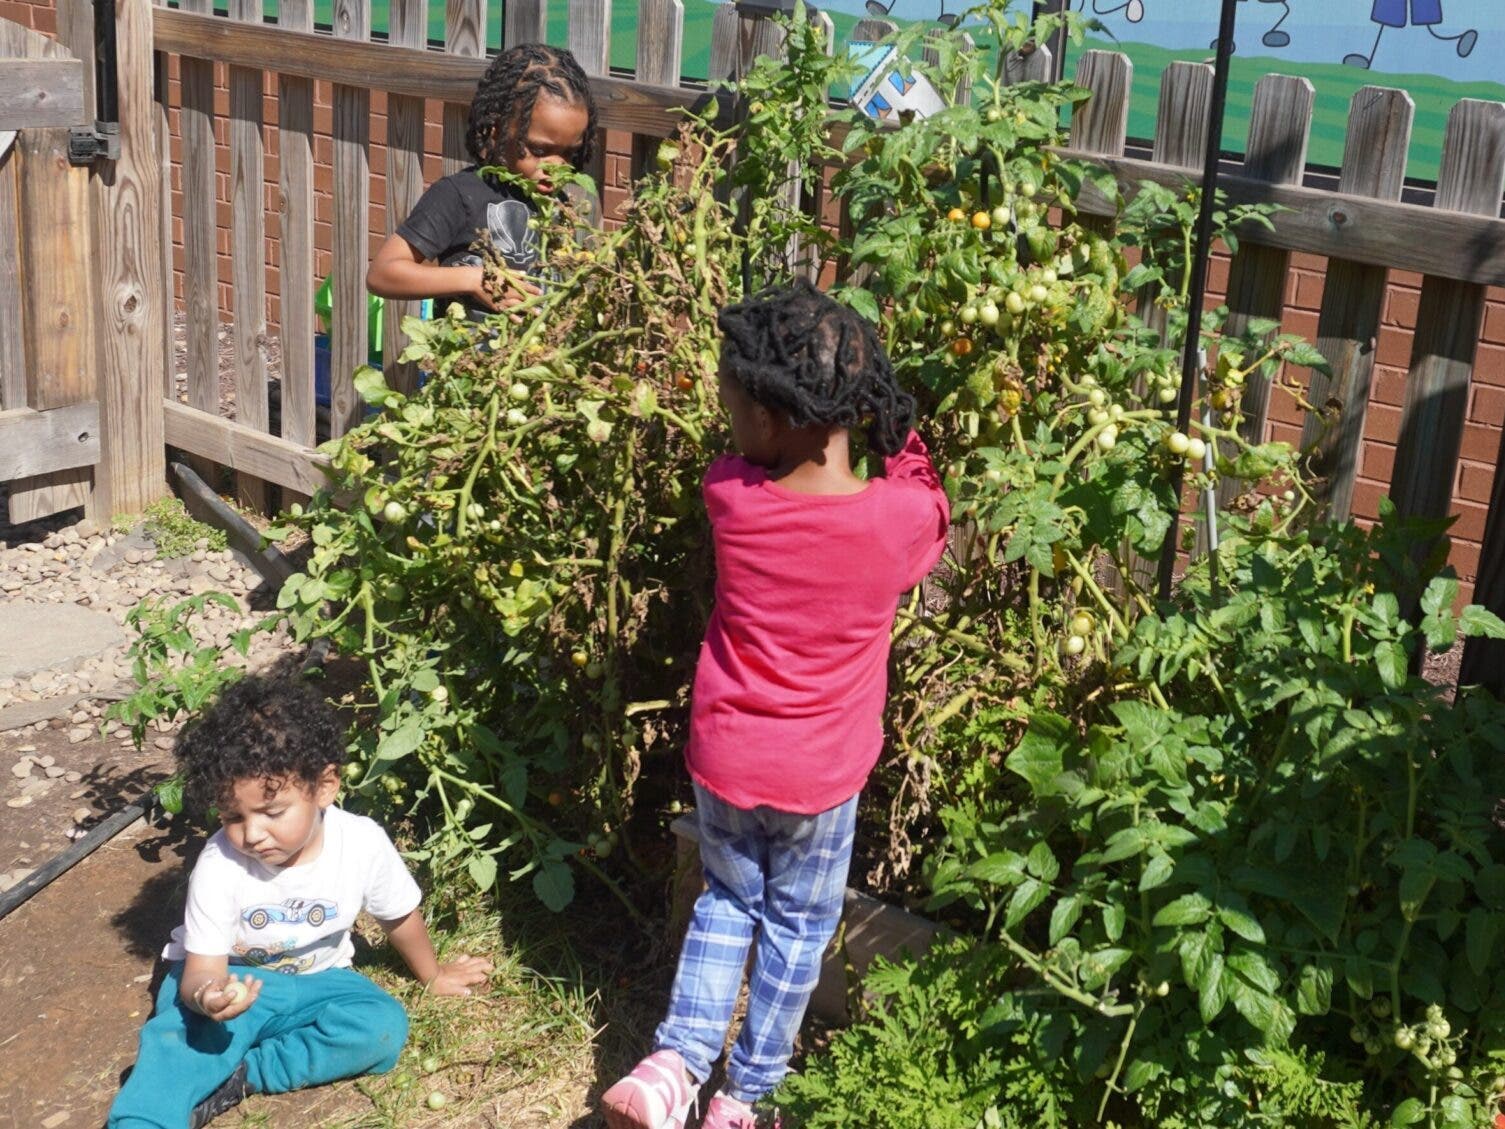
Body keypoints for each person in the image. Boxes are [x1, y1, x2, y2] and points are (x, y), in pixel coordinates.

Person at [600, 281, 951, 1129]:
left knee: (727, 900)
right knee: (796, 925)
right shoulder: (894, 521)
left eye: (731, 409)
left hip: (726, 754)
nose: (726, 430)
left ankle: (675, 1061)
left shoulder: (732, 498)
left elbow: (741, 466)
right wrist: (896, 433)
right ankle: (743, 1097)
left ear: (765, 418)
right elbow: (930, 501)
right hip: (820, 775)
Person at [107, 675, 492, 1129]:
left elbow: (399, 915)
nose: (250, 834)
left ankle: (247, 1074)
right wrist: (208, 998)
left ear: (325, 786)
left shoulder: (362, 842)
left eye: (272, 813)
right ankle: (143, 1120)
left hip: (321, 981)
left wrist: (432, 974)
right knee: (180, 1040)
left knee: (380, 1024)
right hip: (231, 976)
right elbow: (202, 969)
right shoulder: (219, 863)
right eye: (232, 816)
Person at [366, 43, 598, 319]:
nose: (556, 167)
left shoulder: (559, 205)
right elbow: (383, 273)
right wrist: (473, 280)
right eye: (538, 150)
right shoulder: (460, 194)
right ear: (497, 131)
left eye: (569, 154)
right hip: (470, 358)